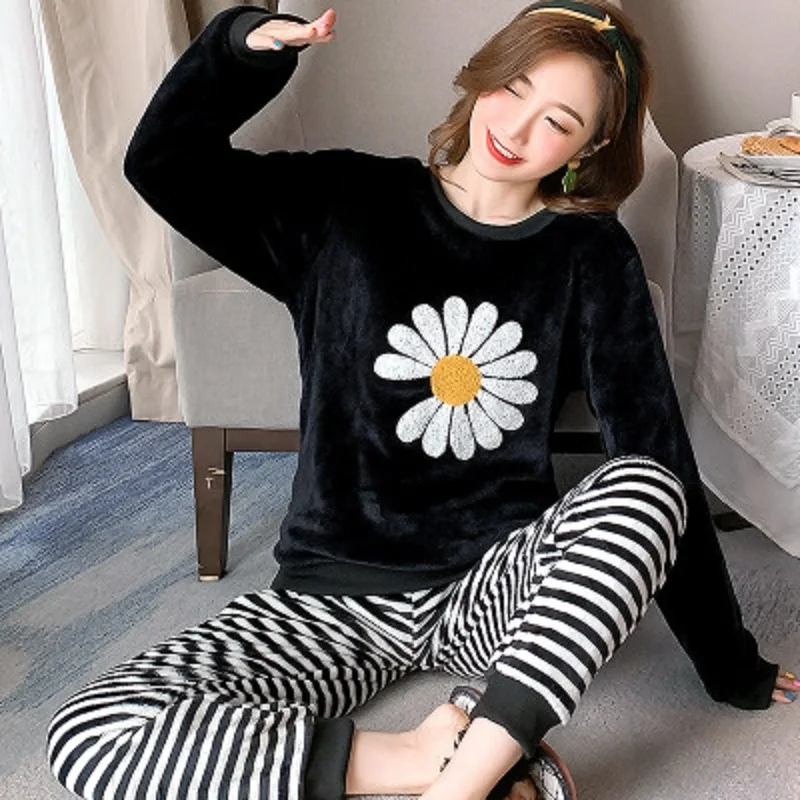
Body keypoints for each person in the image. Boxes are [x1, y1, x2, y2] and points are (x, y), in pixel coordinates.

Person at [47, 2, 797, 799]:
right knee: (93, 732)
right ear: (485, 73)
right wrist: (240, 50)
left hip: (495, 595)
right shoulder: (346, 200)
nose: (517, 128)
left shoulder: (590, 253)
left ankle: (464, 781)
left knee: (648, 486)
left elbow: (654, 448)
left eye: (559, 121)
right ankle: (427, 757)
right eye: (514, 87)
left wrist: (728, 660)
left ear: (590, 147)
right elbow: (162, 164)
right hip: (332, 596)